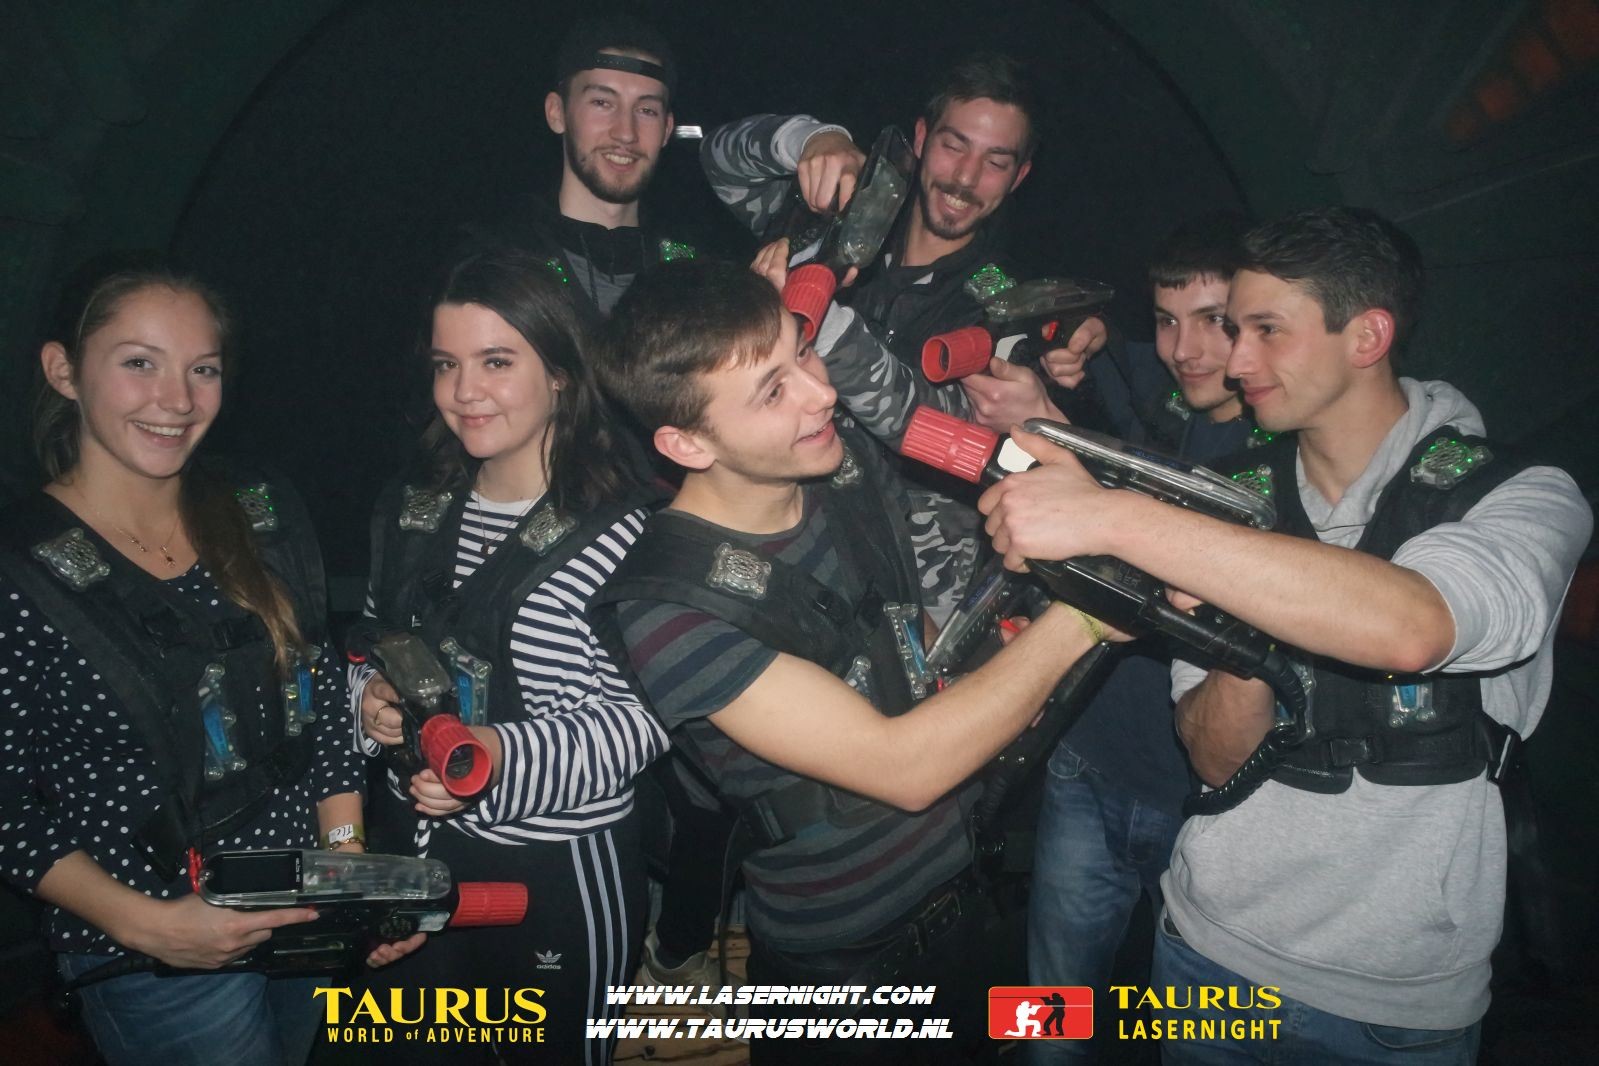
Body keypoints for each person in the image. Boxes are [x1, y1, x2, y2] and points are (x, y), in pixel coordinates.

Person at [980, 207, 1592, 1063]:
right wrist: (1239, 627)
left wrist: (1116, 519)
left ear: (1366, 335)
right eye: (1229, 330)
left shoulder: (1520, 494)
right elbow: (1213, 756)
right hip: (1205, 946)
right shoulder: (1225, 494)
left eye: (1263, 330)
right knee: (1053, 1015)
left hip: (1396, 1004)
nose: (1231, 360)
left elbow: (1415, 627)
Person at [592, 258, 1123, 1064]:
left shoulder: (843, 471)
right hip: (840, 978)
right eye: (771, 390)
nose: (820, 393)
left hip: (972, 906)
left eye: (801, 352)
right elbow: (905, 768)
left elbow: (927, 612)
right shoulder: (668, 609)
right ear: (685, 443)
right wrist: (1086, 615)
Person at [0, 260, 412, 1066]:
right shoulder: (22, 569)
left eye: (203, 370)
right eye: (139, 362)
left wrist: (347, 875)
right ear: (64, 370)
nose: (177, 400)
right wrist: (149, 926)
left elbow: (322, 704)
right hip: (158, 952)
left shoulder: (258, 511)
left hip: (301, 908)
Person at [353, 248, 666, 1065]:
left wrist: (495, 759)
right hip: (417, 848)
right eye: (446, 364)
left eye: (496, 361)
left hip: (555, 865)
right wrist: (368, 698)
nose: (464, 392)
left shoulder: (625, 532)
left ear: (560, 371)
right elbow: (367, 639)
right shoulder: (413, 509)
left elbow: (642, 721)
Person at [1024, 214, 1259, 1064]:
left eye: (1214, 321)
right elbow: (1075, 337)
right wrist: (1070, 350)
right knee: (1048, 1018)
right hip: (1084, 765)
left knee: (1193, 1034)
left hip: (1201, 804)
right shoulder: (1157, 390)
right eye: (1167, 320)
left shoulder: (1284, 450)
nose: (1185, 349)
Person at [460, 14, 694, 323]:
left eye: (646, 110)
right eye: (602, 103)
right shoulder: (496, 267)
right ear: (557, 113)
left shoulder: (693, 277)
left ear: (667, 129)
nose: (626, 132)